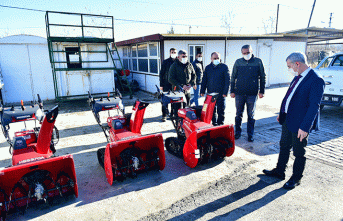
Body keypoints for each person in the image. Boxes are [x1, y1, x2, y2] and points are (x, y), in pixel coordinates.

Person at [262, 52, 325, 190]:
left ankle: (296, 178)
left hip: (300, 124)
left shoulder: (316, 79)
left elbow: (314, 106)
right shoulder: (297, 77)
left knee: (299, 152)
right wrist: (282, 112)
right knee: (284, 146)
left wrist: (305, 127)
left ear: (297, 64)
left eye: (289, 66)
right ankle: (279, 171)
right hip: (288, 119)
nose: (288, 69)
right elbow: (289, 96)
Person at [230, 45, 266, 142]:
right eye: (244, 53)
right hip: (239, 93)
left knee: (251, 115)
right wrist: (232, 91)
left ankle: (250, 134)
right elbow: (233, 77)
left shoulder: (258, 61)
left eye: (248, 52)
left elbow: (262, 77)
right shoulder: (238, 62)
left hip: (252, 93)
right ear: (242, 53)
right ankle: (237, 132)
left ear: (251, 51)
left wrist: (262, 91)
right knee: (238, 114)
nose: (246, 54)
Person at [200, 52, 230, 126]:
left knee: (221, 110)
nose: (216, 60)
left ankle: (220, 124)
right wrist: (202, 90)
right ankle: (214, 124)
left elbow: (227, 80)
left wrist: (225, 92)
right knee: (211, 110)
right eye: (214, 58)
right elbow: (204, 80)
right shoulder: (208, 68)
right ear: (211, 59)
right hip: (211, 93)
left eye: (218, 58)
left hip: (221, 93)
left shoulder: (224, 67)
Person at [159, 48, 177, 121]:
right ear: (170, 53)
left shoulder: (178, 62)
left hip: (175, 85)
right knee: (165, 101)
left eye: (174, 52)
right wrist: (161, 85)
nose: (173, 53)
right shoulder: (166, 62)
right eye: (172, 52)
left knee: (175, 101)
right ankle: (164, 115)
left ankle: (172, 114)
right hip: (166, 84)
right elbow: (161, 74)